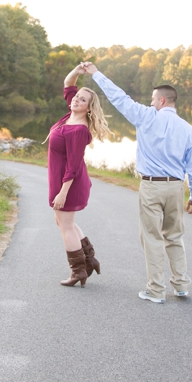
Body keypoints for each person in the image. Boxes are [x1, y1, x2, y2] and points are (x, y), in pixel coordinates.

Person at [86, 62, 192, 303]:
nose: (150, 103)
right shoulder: (188, 129)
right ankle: (181, 285)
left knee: (152, 237)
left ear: (161, 101)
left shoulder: (146, 117)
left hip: (151, 186)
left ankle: (156, 290)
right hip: (176, 188)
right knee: (174, 236)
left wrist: (96, 73)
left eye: (152, 100)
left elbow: (119, 97)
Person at [47, 64, 111, 287]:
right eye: (77, 97)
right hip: (61, 180)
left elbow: (73, 166)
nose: (76, 100)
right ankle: (89, 259)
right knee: (63, 222)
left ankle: (78, 271)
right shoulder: (70, 117)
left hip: (70, 183)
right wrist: (76, 70)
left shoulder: (79, 130)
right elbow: (68, 84)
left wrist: (63, 193)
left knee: (65, 225)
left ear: (89, 108)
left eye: (82, 100)